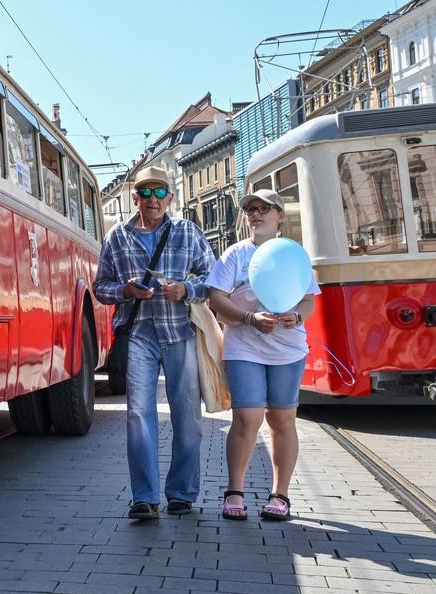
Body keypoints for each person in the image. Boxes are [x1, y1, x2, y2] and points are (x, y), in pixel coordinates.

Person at [95, 166, 214, 520]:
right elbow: (100, 288)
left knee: (188, 416)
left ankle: (181, 493)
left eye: (160, 193)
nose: (153, 200)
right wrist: (125, 291)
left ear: (170, 197)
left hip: (179, 332)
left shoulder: (187, 233)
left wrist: (187, 289)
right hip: (139, 336)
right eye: (145, 193)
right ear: (135, 197)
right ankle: (143, 498)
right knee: (138, 416)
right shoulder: (117, 236)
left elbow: (214, 278)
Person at [207, 190, 320, 522]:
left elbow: (309, 300)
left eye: (264, 209)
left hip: (287, 349)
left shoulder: (292, 254)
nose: (256, 214)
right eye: (251, 210)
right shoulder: (234, 255)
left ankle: (280, 495)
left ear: (280, 216)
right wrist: (248, 318)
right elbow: (215, 297)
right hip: (244, 347)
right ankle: (235, 491)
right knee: (248, 417)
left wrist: (296, 317)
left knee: (282, 419)